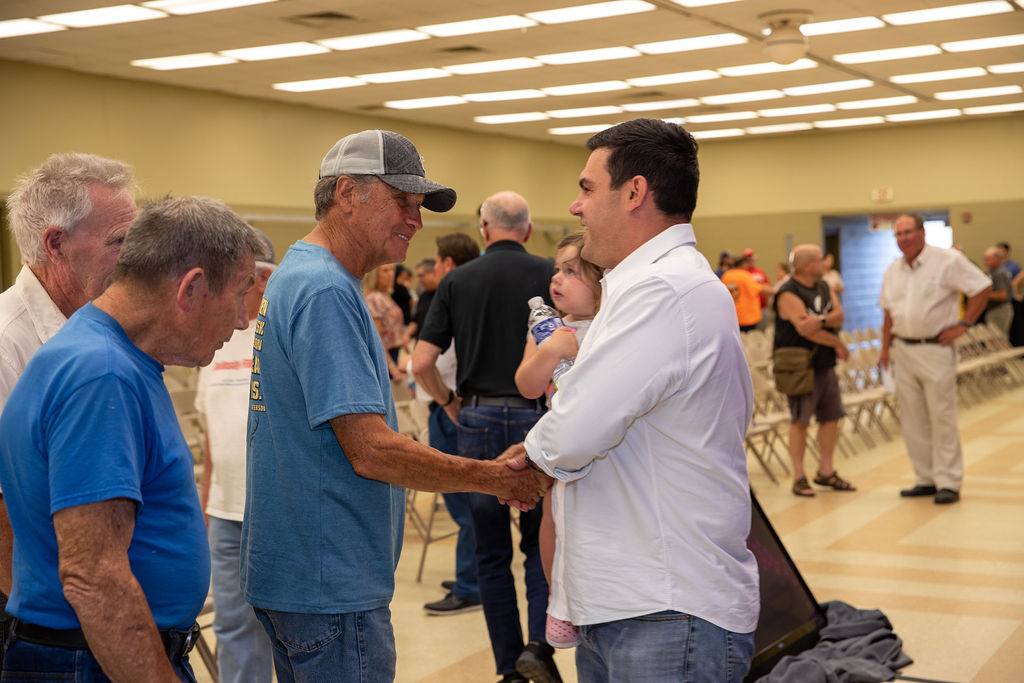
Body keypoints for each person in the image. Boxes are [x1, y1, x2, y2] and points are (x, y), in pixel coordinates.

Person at [240, 129, 542, 683]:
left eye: (419, 206)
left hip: (301, 574)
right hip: (330, 581)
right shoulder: (325, 290)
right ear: (348, 193)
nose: (417, 220)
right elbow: (371, 451)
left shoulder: (299, 275)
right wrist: (491, 477)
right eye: (403, 202)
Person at [515, 118, 760, 682]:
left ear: (634, 193)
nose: (575, 206)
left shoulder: (663, 290)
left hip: (667, 610)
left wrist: (525, 461)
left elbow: (575, 433)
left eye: (586, 188)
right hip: (631, 602)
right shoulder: (648, 286)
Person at [0, 195, 264, 681]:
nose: (243, 319)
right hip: (93, 660)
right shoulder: (102, 374)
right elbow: (94, 577)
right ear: (192, 289)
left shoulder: (106, 353)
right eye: (240, 293)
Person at [412, 191, 560, 683]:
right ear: (530, 227)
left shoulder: (455, 280)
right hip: (537, 420)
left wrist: (450, 403)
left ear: (483, 229)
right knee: (540, 545)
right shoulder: (551, 275)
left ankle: (507, 669)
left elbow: (421, 363)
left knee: (489, 552)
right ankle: (539, 650)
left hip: (475, 420)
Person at [0, 151, 138, 651]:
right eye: (119, 241)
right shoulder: (7, 344)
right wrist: (54, 636)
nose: (134, 258)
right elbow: (3, 522)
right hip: (41, 625)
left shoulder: (96, 327)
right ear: (56, 244)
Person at [195, 230, 277, 683]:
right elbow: (211, 445)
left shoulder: (282, 336)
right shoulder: (215, 341)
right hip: (225, 518)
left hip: (278, 514)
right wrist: (207, 514)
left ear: (261, 280)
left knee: (293, 632)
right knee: (232, 628)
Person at [514, 231, 602, 651]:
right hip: (560, 442)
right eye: (557, 270)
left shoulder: (613, 325)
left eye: (572, 272)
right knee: (553, 519)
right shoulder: (549, 329)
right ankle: (557, 602)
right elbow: (527, 385)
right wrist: (550, 351)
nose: (558, 279)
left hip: (602, 445)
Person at [879, 213, 992, 505]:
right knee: (913, 417)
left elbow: (982, 287)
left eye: (908, 232)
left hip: (936, 348)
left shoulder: (947, 261)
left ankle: (949, 481)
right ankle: (925, 478)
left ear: (922, 232)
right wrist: (884, 349)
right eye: (898, 234)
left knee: (941, 416)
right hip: (903, 349)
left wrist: (964, 324)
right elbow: (888, 313)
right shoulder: (893, 270)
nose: (903, 238)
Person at [418, 233, 484, 616]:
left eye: (439, 261)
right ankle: (471, 572)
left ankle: (470, 584)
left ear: (448, 265)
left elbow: (426, 364)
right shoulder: (467, 297)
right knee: (463, 500)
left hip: (451, 408)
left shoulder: (457, 298)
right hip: (448, 407)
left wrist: (445, 401)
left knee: (464, 504)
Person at [774, 245, 855, 497]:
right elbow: (803, 329)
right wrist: (837, 342)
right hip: (799, 365)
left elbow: (839, 315)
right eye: (820, 260)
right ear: (807, 265)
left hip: (824, 363)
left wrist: (821, 320)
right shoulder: (787, 292)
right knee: (800, 420)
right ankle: (799, 476)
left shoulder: (824, 286)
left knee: (831, 416)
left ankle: (826, 471)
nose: (825, 263)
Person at [364, 263, 407, 379]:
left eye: (392, 270)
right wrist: (391, 366)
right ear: (375, 275)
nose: (391, 274)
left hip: (393, 353)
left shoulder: (384, 295)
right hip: (386, 356)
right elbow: (377, 338)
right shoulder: (375, 298)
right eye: (385, 271)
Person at [722, 255, 773, 331]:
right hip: (746, 317)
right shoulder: (744, 275)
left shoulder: (726, 275)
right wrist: (774, 291)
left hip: (732, 316)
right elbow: (759, 289)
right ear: (742, 264)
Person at [982, 246, 1013, 340]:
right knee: (992, 338)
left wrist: (982, 295)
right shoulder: (991, 271)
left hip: (1000, 309)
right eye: (984, 258)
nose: (985, 261)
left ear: (997, 259)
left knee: (998, 339)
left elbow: (1002, 295)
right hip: (993, 309)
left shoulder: (1000, 273)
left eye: (988, 259)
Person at [407, 257, 438, 341]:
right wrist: (407, 334)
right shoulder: (424, 295)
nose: (419, 280)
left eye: (421, 276)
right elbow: (416, 320)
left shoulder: (444, 295)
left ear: (434, 273)